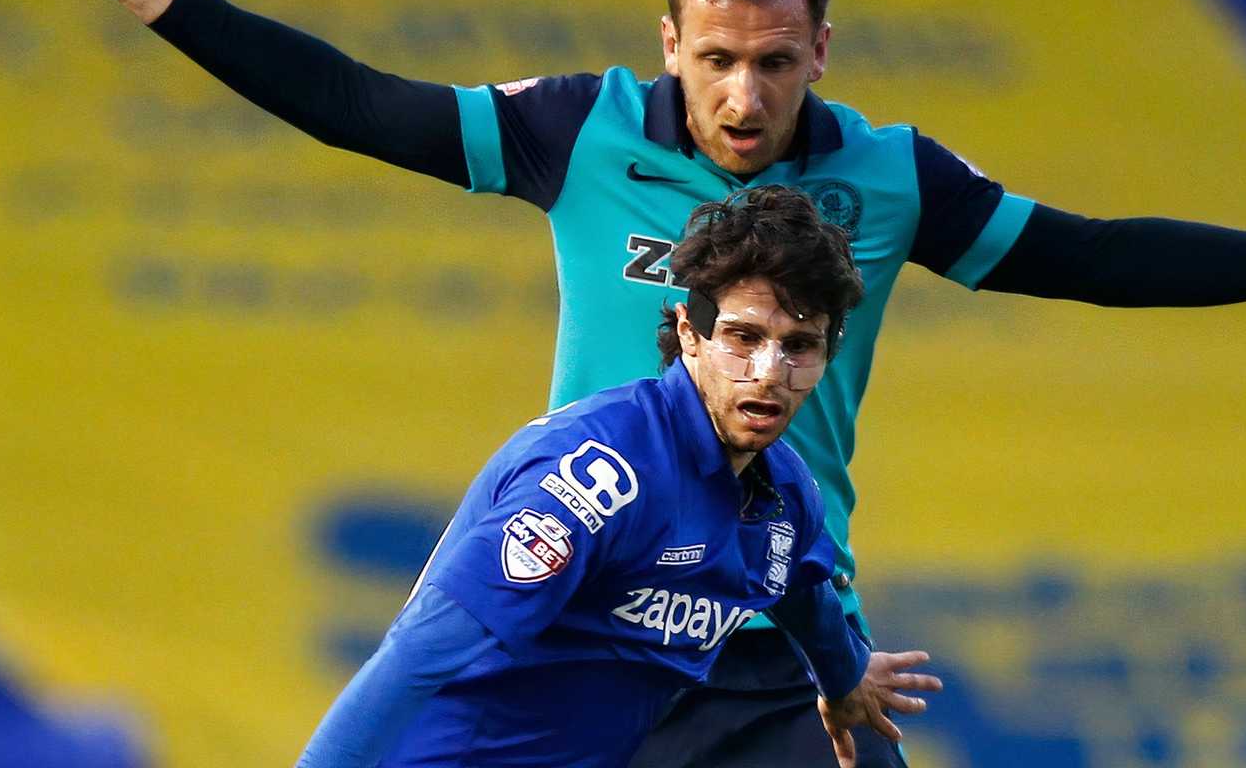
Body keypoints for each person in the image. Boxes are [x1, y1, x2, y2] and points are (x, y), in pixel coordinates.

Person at [19, 0, 1246, 765]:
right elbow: (357, 103)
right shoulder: (577, 131)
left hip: (777, 614)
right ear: (669, 41)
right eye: (715, 58)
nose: (743, 94)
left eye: (777, 62)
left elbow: (1093, 255)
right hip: (585, 617)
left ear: (820, 51)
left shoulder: (888, 178)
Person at [294, 186, 938, 768]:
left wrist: (844, 674)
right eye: (743, 338)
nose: (770, 371)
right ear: (689, 333)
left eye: (799, 345)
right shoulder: (604, 474)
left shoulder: (785, 493)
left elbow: (798, 584)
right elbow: (415, 658)